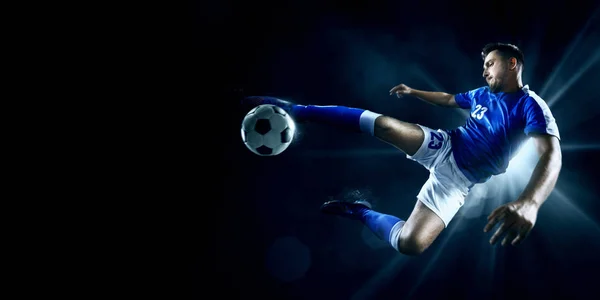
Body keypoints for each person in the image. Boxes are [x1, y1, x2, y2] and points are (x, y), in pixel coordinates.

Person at [241, 42, 562, 256]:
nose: (485, 70)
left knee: (411, 244)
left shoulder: (531, 106)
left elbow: (551, 154)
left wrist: (530, 203)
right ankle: (298, 110)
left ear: (512, 64)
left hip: (458, 182)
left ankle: (360, 210)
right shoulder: (482, 93)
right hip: (446, 145)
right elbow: (450, 99)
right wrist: (413, 91)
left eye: (490, 64)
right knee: (385, 126)